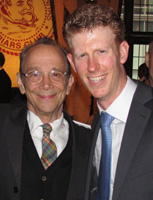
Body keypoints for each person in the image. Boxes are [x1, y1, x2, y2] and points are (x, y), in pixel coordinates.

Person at [63, 3, 153, 200]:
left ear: (122, 52)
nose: (92, 66)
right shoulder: (97, 125)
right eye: (82, 55)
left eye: (101, 52)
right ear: (72, 63)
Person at [0, 37, 92, 200]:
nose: (46, 84)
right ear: (21, 83)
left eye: (55, 74)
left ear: (69, 83)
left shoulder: (91, 142)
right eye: (35, 74)